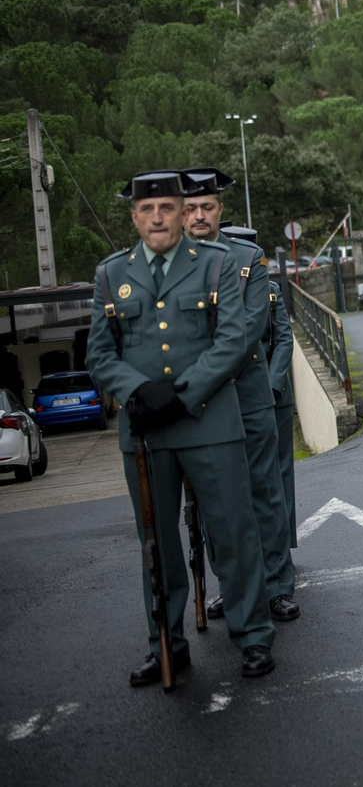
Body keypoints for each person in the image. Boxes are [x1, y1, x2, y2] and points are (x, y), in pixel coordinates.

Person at [86, 170, 275, 684]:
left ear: (180, 209)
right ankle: (164, 643)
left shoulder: (218, 264)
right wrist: (138, 393)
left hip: (209, 421)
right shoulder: (111, 274)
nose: (158, 218)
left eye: (167, 208)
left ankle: (253, 636)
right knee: (157, 543)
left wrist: (180, 395)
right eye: (146, 211)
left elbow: (234, 338)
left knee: (233, 533)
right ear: (134, 217)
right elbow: (100, 355)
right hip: (145, 429)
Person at [183, 175, 298, 621]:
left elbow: (249, 329)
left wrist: (198, 375)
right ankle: (231, 586)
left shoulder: (249, 259)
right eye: (190, 207)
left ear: (218, 209)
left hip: (246, 393)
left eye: (207, 207)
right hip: (200, 402)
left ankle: (277, 586)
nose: (198, 216)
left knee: (265, 491)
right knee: (216, 500)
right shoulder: (166, 265)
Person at [266, 274, 297, 544]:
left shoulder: (269, 290)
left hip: (275, 394)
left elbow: (284, 340)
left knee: (281, 469)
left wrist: (271, 385)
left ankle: (283, 543)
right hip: (231, 395)